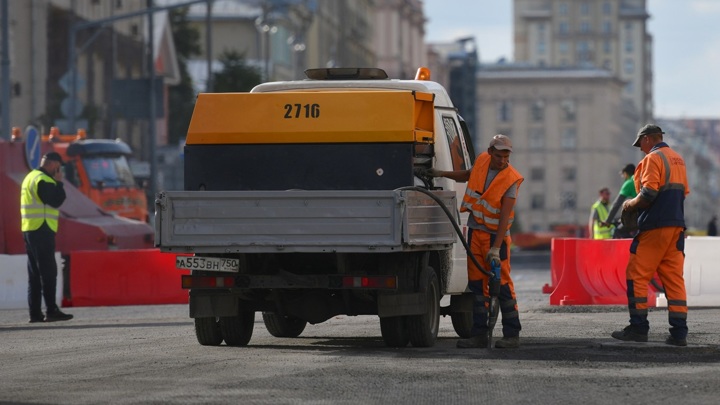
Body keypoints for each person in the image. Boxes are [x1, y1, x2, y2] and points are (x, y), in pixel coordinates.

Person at [428, 134, 523, 349]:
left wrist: (496, 248)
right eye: (498, 155)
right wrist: (441, 173)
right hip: (475, 232)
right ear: (490, 152)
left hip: (495, 238)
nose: (502, 160)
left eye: (506, 156)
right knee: (478, 287)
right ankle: (479, 335)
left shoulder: (511, 180)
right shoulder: (481, 161)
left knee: (504, 286)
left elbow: (504, 219)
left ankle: (512, 334)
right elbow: (468, 175)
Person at [612, 124, 689, 346]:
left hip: (655, 227)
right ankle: (679, 333)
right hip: (676, 228)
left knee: (636, 275)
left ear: (647, 139)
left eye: (640, 144)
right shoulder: (678, 159)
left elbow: (648, 193)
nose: (640, 150)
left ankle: (638, 328)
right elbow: (683, 193)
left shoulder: (652, 159)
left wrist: (629, 205)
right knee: (674, 280)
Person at [21, 152, 73, 323]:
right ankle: (51, 310)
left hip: (30, 229)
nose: (59, 171)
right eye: (59, 167)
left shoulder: (30, 177)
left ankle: (35, 314)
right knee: (48, 272)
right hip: (42, 229)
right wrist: (59, 182)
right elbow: (56, 201)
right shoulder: (44, 180)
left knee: (34, 274)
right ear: (53, 164)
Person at [601, 164, 638, 238]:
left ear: (626, 173)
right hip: (648, 213)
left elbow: (617, 204)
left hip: (639, 215)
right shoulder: (639, 179)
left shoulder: (629, 183)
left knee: (619, 231)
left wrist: (608, 221)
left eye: (623, 175)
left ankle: (633, 247)